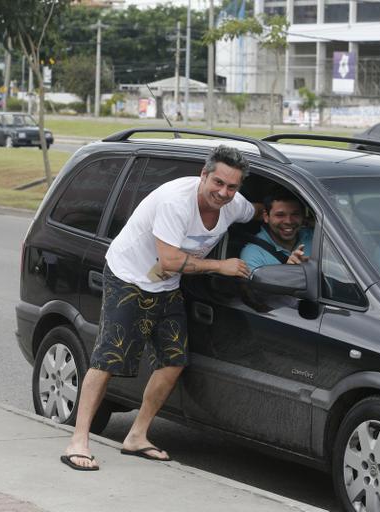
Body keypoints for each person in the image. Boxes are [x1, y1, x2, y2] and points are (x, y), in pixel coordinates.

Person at [61, 145, 262, 471]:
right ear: (204, 175)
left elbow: (259, 211)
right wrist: (221, 266)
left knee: (174, 359)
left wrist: (292, 218)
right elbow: (169, 260)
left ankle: (137, 436)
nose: (223, 193)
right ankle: (78, 441)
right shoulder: (175, 202)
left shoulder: (233, 205)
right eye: (218, 183)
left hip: (165, 285)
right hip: (129, 277)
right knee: (108, 358)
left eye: (232, 186)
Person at [240, 192, 313, 271]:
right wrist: (290, 271)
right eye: (280, 215)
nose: (288, 221)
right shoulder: (253, 253)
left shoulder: (316, 237)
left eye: (295, 214)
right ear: (266, 217)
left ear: (303, 216)